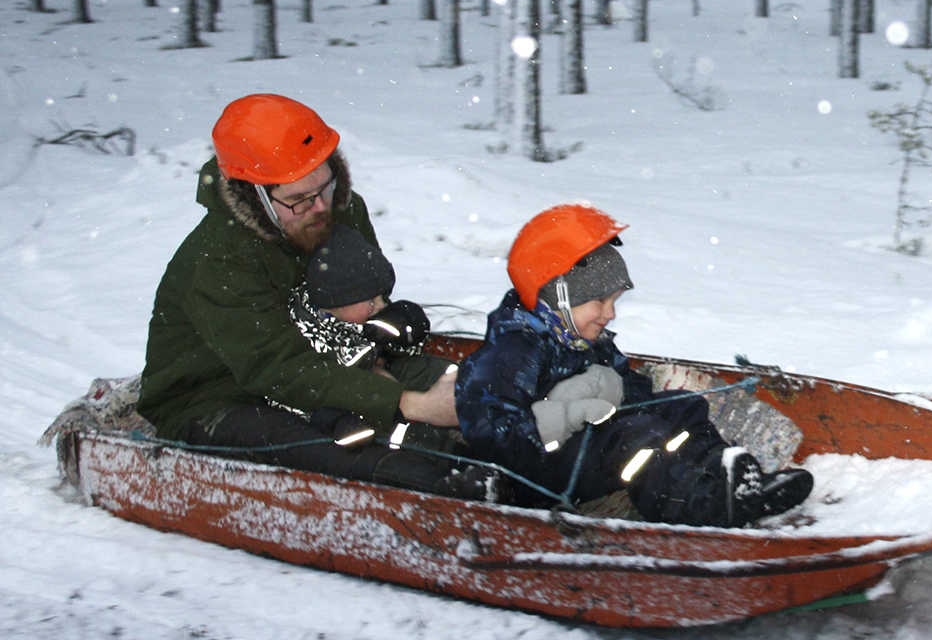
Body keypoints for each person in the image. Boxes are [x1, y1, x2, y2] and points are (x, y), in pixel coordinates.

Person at [137, 94, 464, 494]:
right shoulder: (218, 259)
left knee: (443, 387)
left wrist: (387, 327)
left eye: (325, 186)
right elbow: (276, 368)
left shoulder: (338, 208)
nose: (320, 207)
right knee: (337, 452)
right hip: (218, 395)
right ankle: (442, 495)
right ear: (252, 196)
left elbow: (356, 296)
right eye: (298, 200)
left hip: (325, 362)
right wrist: (410, 404)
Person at [455, 203, 812, 526]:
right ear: (558, 295)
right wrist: (565, 415)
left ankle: (726, 482)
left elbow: (631, 386)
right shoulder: (514, 351)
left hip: (590, 445)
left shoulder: (582, 339)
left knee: (680, 407)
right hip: (537, 475)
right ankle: (694, 506)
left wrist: (619, 391)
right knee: (636, 438)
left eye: (615, 301)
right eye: (599, 301)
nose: (610, 315)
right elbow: (491, 434)